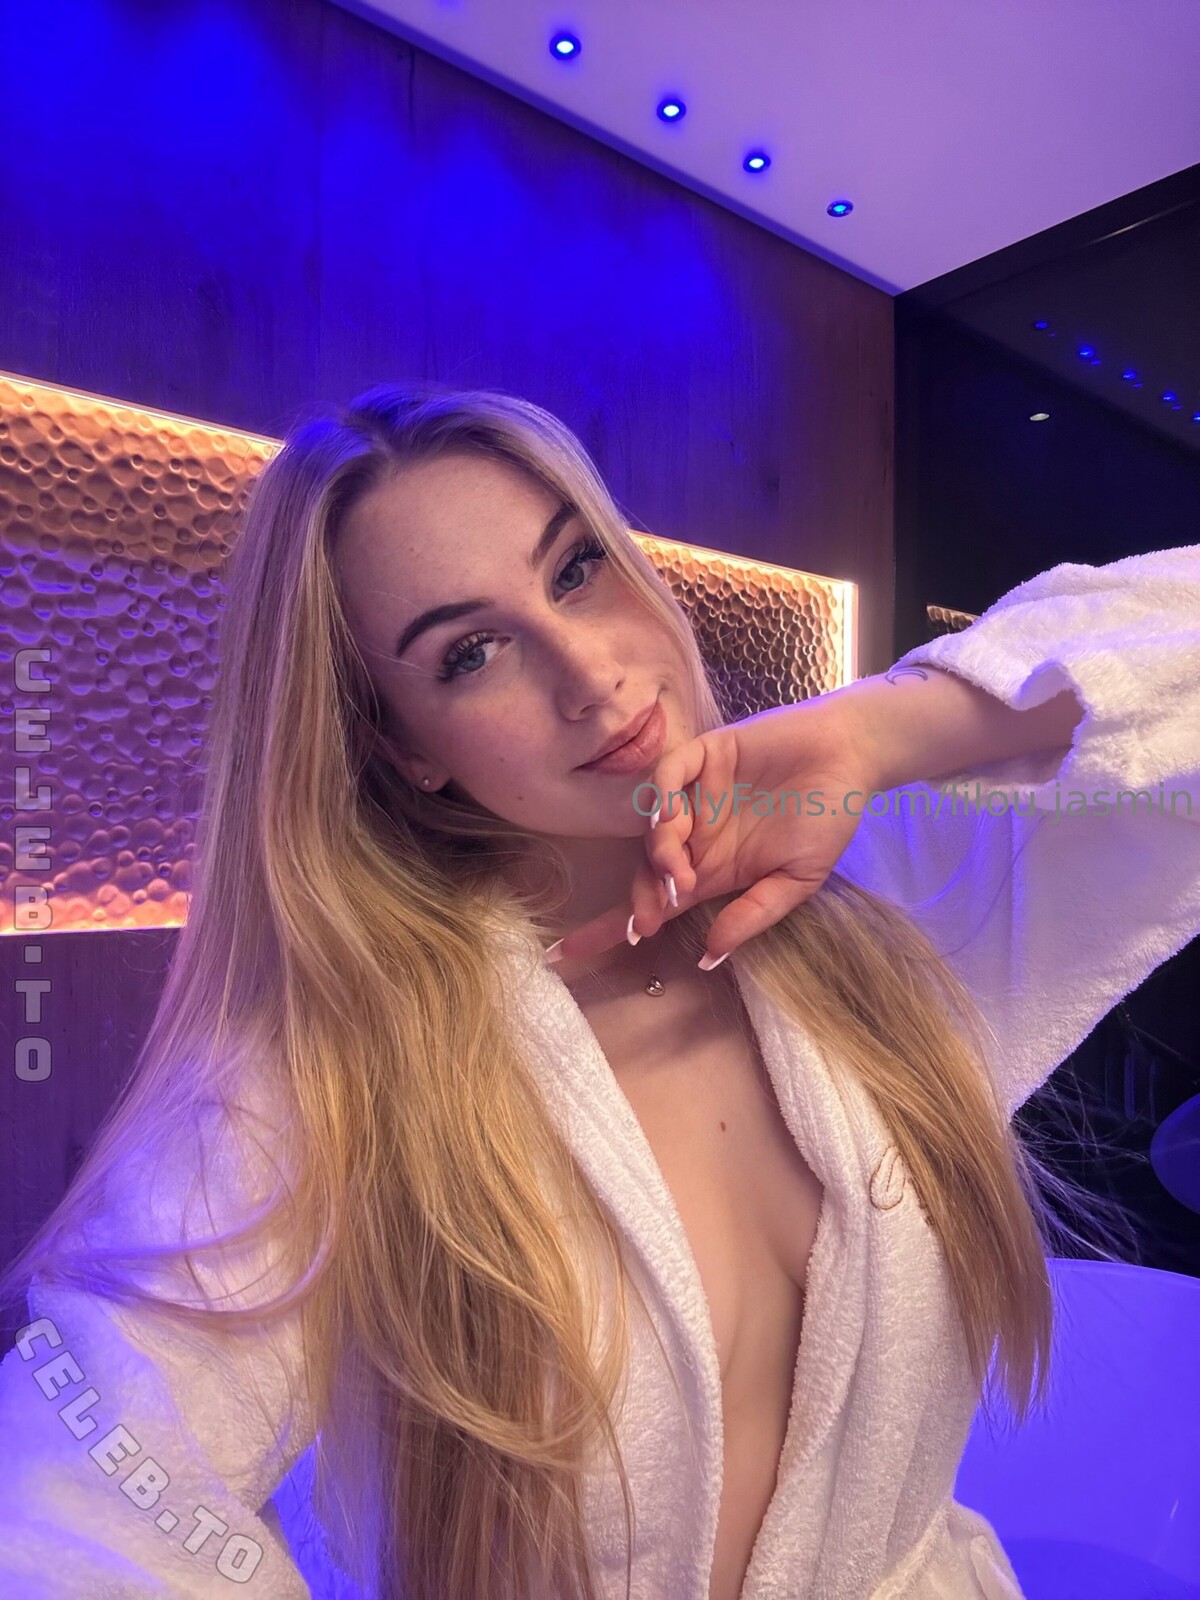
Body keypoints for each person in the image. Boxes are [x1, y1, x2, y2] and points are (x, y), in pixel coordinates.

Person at [1, 382, 1198, 1600]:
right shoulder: (330, 1076)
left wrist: (883, 732)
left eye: (576, 569)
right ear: (403, 747)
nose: (590, 674)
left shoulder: (888, 894)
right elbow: (69, 1510)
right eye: (470, 652)